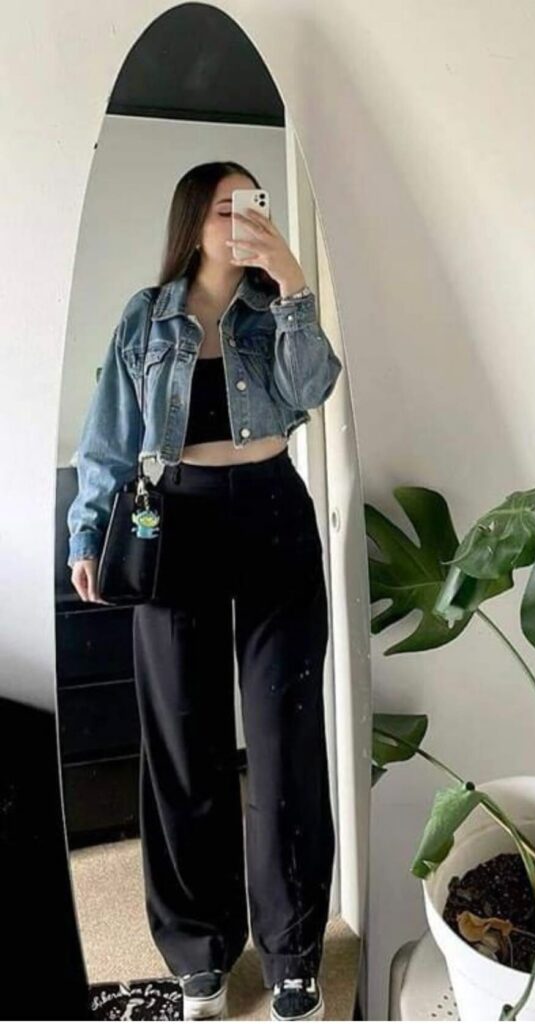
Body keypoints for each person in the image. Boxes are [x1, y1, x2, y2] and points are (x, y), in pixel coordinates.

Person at [66, 161, 343, 1021]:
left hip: (271, 513)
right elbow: (109, 436)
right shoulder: (145, 317)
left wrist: (292, 283)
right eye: (228, 207)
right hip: (170, 520)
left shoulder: (273, 307)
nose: (243, 220)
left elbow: (313, 389)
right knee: (184, 741)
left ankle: (293, 955)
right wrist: (87, 532)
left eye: (254, 205)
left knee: (284, 738)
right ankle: (199, 952)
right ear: (192, 222)